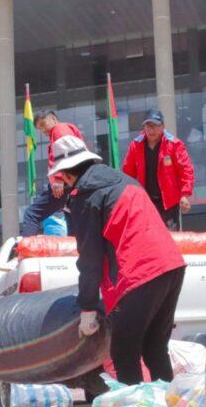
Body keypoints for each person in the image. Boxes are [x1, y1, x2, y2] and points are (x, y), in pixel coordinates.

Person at [49, 135, 186, 385]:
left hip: (139, 274)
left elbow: (90, 255)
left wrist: (87, 307)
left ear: (67, 175)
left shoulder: (86, 196)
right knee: (154, 348)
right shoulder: (125, 181)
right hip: (171, 265)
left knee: (123, 352)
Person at [122, 109, 195, 230]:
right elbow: (127, 174)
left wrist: (185, 195)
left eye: (155, 126)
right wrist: (127, 197)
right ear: (144, 127)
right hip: (145, 203)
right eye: (148, 126)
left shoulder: (174, 144)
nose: (152, 130)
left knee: (170, 240)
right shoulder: (135, 145)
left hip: (169, 204)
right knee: (148, 240)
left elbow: (186, 170)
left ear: (163, 126)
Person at [21, 111, 86, 236]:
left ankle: (26, 252)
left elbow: (65, 152)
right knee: (72, 222)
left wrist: (58, 178)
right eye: (40, 129)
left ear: (54, 119)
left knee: (31, 214)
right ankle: (78, 252)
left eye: (43, 124)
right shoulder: (66, 129)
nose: (43, 130)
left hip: (66, 181)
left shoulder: (59, 129)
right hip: (75, 183)